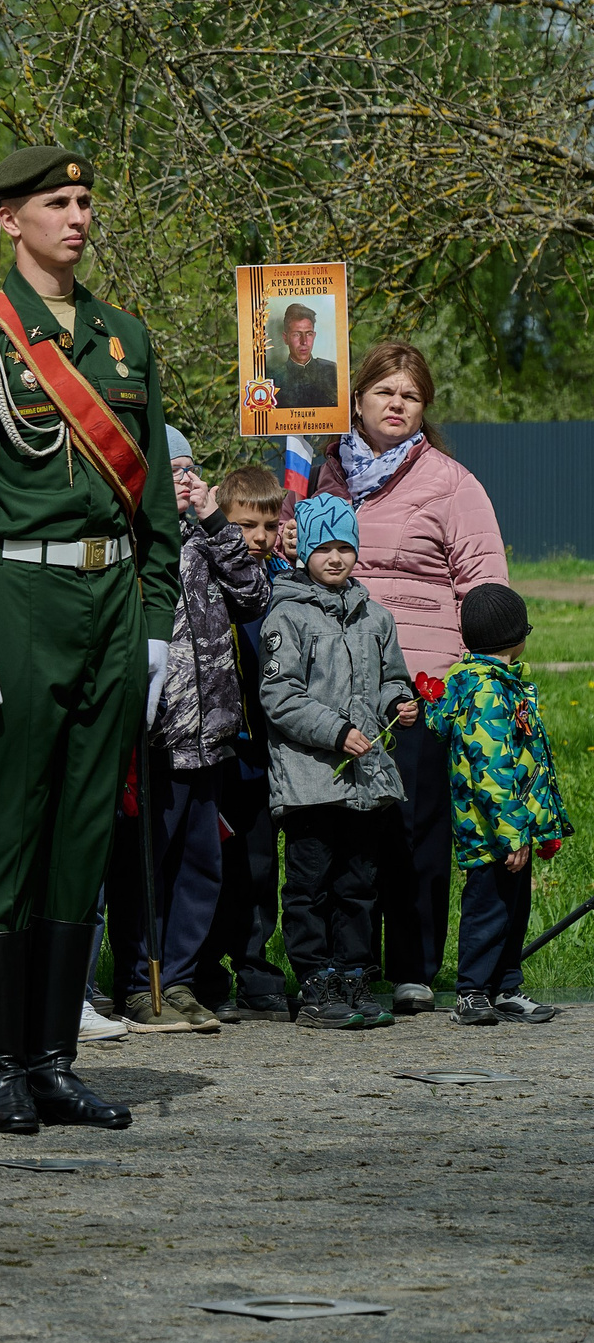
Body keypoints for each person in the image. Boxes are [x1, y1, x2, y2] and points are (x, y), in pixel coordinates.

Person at [0, 144, 177, 1136]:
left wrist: (154, 623)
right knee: (12, 832)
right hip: (13, 589)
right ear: (10, 222)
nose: (74, 215)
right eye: (53, 202)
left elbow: (153, 493)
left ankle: (53, 1058)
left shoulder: (122, 338)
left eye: (82, 199)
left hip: (108, 601)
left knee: (81, 837)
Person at [307, 342, 507, 1015]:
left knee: (415, 824)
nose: (396, 404)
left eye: (410, 395)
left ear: (423, 409)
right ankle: (346, 960)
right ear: (356, 398)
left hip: (422, 681)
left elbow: (484, 586)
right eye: (384, 391)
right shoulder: (318, 474)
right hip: (334, 684)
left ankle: (414, 966)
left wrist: (474, 677)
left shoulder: (450, 482)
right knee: (347, 828)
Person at [111, 427, 270, 1033]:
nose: (186, 479)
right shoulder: (132, 536)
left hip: (210, 732)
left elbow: (254, 596)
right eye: (173, 470)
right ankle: (137, 982)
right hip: (155, 735)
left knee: (201, 865)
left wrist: (215, 524)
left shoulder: (206, 539)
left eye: (191, 468)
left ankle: (177, 980)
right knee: (145, 868)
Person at [260, 495, 415, 1030]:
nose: (334, 557)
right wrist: (337, 731)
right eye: (323, 546)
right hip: (310, 779)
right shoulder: (288, 616)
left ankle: (353, 973)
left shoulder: (376, 616)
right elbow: (279, 697)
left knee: (359, 881)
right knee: (310, 884)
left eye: (345, 546)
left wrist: (400, 702)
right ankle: (315, 979)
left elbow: (392, 676)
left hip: (364, 781)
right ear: (303, 550)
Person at [431, 585, 570, 1025]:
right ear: (516, 635)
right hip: (492, 829)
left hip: (514, 827)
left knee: (514, 909)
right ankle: (472, 991)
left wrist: (538, 827)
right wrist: (512, 834)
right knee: (488, 909)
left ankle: (506, 986)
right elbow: (491, 770)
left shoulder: (497, 682)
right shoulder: (488, 691)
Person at [197, 461, 293, 1021]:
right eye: (244, 526)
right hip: (210, 752)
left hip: (261, 757)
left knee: (259, 868)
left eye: (267, 525)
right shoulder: (204, 582)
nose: (257, 538)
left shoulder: (282, 588)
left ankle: (254, 964)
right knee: (208, 863)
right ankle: (203, 970)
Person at [269, 303, 336, 410]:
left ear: (314, 336)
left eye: (308, 334)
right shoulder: (272, 379)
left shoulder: (332, 371)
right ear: (285, 338)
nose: (304, 342)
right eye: (296, 334)